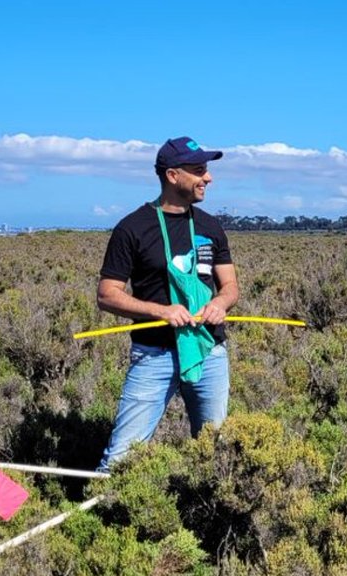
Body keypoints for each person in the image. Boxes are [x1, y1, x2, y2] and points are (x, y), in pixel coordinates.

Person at [95, 136, 240, 471]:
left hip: (209, 353)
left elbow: (230, 285)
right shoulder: (132, 228)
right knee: (121, 460)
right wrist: (161, 311)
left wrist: (220, 303)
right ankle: (102, 513)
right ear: (173, 176)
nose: (209, 178)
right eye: (200, 170)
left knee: (213, 452)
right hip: (154, 356)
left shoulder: (211, 227)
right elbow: (107, 294)